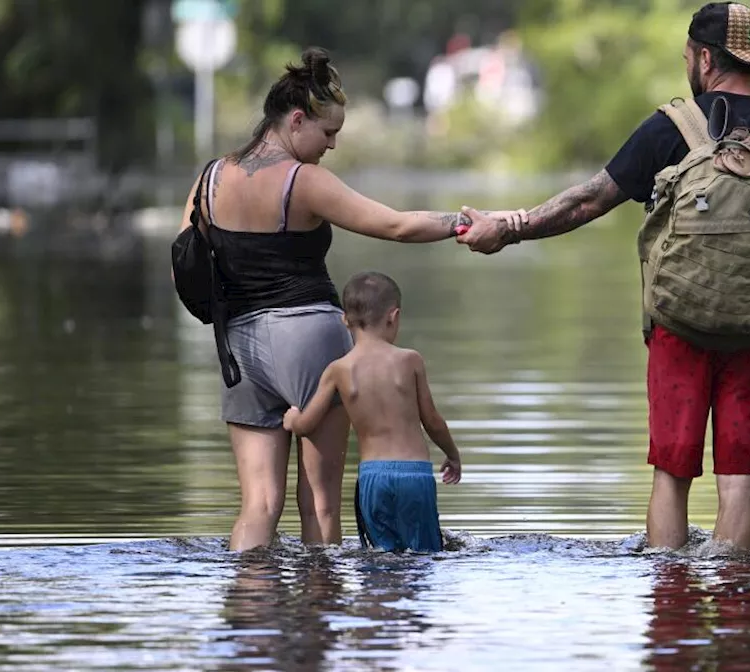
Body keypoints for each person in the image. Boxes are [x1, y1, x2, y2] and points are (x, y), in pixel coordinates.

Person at [457, 2, 750, 551]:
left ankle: (672, 606)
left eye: (689, 56)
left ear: (705, 59)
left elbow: (588, 201)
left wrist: (510, 226)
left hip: (678, 329)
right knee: (739, 485)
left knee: (672, 473)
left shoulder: (672, 128)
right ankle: (736, 600)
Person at [177, 47, 519, 552]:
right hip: (310, 340)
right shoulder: (303, 180)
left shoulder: (208, 179)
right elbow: (396, 225)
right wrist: (466, 222)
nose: (332, 145)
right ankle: (320, 621)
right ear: (296, 120)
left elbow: (182, 266)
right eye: (328, 132)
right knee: (318, 501)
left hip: (238, 349)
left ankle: (250, 624)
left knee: (258, 505)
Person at [283, 272, 461, 553]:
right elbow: (433, 421)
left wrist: (292, 418)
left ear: (345, 319)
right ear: (394, 316)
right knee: (424, 556)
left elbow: (306, 425)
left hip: (373, 478)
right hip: (414, 476)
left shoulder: (338, 370)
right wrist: (452, 454)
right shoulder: (410, 360)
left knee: (380, 559)